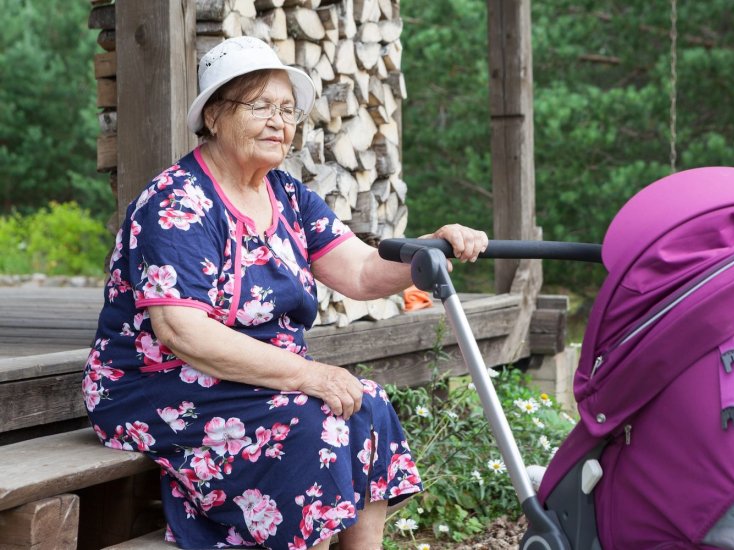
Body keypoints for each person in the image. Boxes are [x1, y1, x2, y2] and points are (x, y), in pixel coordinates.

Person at [82, 36, 487, 549]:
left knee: (368, 406)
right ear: (212, 116)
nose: (279, 121)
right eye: (261, 106)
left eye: (288, 109)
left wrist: (431, 249)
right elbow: (182, 331)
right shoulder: (177, 202)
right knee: (310, 425)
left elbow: (361, 272)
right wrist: (310, 374)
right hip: (159, 383)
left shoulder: (289, 195)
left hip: (251, 379)